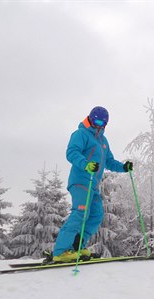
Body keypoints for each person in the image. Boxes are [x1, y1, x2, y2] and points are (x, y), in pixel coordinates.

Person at [52, 106, 133, 262]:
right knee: (80, 213)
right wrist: (85, 164)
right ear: (90, 118)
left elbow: (108, 161)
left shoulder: (103, 141)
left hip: (93, 184)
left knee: (96, 215)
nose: (99, 125)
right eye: (96, 121)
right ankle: (61, 251)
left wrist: (123, 167)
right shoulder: (80, 134)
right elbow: (72, 152)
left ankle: (77, 246)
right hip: (80, 181)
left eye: (103, 123)